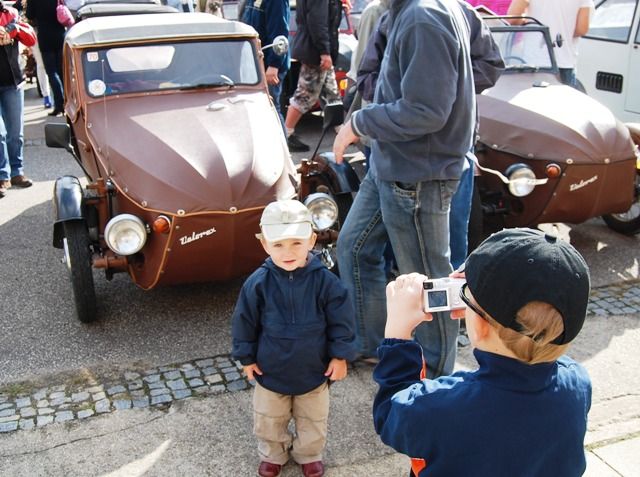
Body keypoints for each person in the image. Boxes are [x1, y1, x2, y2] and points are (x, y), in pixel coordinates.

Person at [373, 228, 592, 476]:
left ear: (479, 326)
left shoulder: (441, 407)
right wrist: (481, 295)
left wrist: (397, 334)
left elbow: (390, 414)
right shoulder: (578, 383)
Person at [332, 0, 476, 377]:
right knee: (354, 246)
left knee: (428, 284)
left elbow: (426, 111)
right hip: (392, 164)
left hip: (417, 176)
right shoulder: (409, 11)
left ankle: (436, 377)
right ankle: (375, 346)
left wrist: (360, 122)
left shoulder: (423, 16)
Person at [231, 200, 357, 477]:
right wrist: (246, 358)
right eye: (278, 245)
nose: (288, 252)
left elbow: (342, 322)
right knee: (268, 420)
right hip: (270, 369)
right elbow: (244, 322)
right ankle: (273, 453)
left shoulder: (326, 282)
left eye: (296, 243)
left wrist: (340, 356)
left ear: (311, 240)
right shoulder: (257, 283)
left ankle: (309, 454)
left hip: (314, 369)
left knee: (313, 419)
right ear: (264, 244)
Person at [283, 0, 343, 152]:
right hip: (315, 51)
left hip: (314, 48)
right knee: (305, 94)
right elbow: (317, 21)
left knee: (332, 93)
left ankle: (342, 132)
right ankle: (286, 135)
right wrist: (324, 52)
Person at [507, 0, 594, 88]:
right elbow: (581, 29)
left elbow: (512, 19)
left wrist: (525, 21)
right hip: (565, 61)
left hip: (533, 60)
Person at [1, 1, 36, 199]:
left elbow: (30, 38)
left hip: (13, 81)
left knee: (15, 133)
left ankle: (17, 172)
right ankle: (2, 175)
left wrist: (11, 29)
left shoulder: (11, 12)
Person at [241, 0, 290, 131]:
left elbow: (280, 31)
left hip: (269, 65)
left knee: (271, 109)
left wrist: (274, 65)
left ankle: (282, 149)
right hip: (254, 63)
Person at [26, 0, 66, 116]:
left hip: (45, 36)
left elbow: (29, 15)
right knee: (61, 70)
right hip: (59, 32)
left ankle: (59, 104)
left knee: (51, 72)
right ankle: (67, 102)